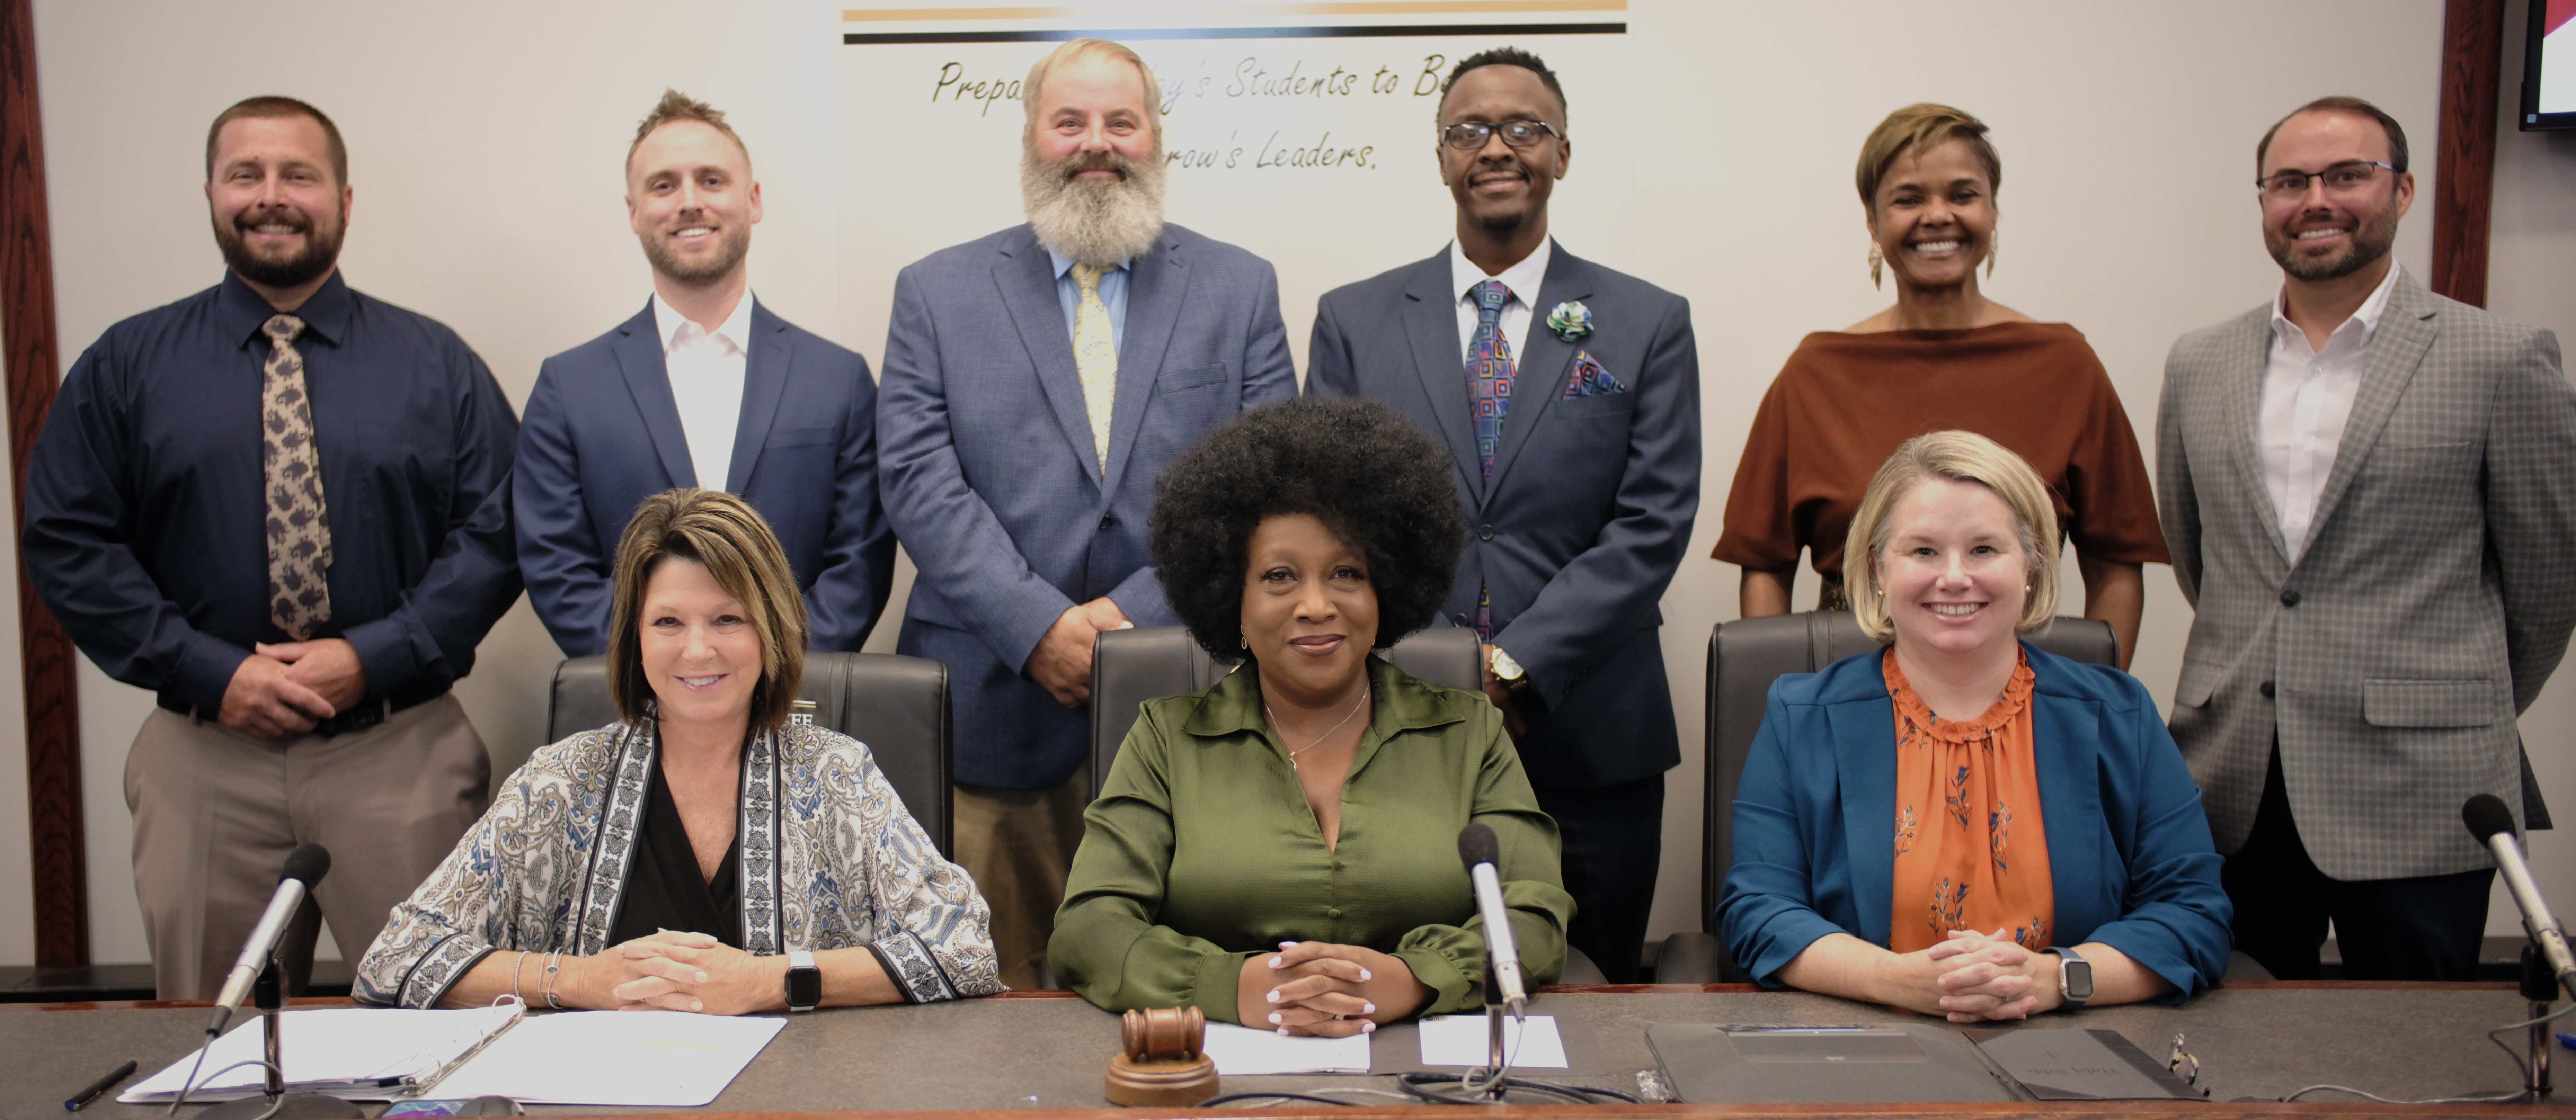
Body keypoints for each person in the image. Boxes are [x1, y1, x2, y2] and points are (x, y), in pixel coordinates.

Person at [19, 96, 521, 999]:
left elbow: (497, 531)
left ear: (344, 198)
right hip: (205, 756)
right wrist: (210, 669)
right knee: (211, 1043)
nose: (271, 195)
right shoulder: (127, 365)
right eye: (245, 174)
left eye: (298, 174)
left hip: (396, 751)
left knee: (432, 1032)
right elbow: (68, 538)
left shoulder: (434, 362)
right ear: (211, 192)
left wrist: (371, 657)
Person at [879, 37, 1296, 989]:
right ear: (1031, 137)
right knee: (988, 1001)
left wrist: (1129, 624)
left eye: (1119, 120)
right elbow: (914, 476)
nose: (1094, 143)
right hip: (990, 708)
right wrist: (1037, 628)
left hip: (1188, 709)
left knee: (1177, 994)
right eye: (1068, 121)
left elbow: (1264, 479)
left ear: (1155, 137)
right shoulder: (935, 290)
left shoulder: (1240, 288)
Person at [2157, 96, 2576, 981]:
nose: (2316, 199)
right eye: (2289, 181)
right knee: (2231, 1042)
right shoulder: (2199, 361)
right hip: (2235, 774)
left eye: (2346, 175)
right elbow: (2206, 561)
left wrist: (2448, 698)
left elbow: (2547, 582)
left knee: (2416, 1053)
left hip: (2418, 784)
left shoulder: (2498, 358)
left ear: (2403, 189)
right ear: (2263, 201)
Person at [1306, 47, 1698, 983]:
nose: (1497, 147)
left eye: (1524, 127)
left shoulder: (1646, 321)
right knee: (1404, 992)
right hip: (1397, 724)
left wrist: (1517, 664)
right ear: (1439, 156)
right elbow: (1331, 518)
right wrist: (1442, 664)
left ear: (1563, 153)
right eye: (1469, 129)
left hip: (1591, 735)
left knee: (1594, 996)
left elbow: (1654, 517)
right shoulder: (1353, 321)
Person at [356, 489, 1000, 1010]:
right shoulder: (560, 781)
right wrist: (578, 980)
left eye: (728, 619)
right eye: (668, 622)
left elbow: (965, 948)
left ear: (770, 630)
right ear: (634, 638)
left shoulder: (834, 775)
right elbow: (395, 957)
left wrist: (771, 981)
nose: (697, 650)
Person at [1051, 397, 1571, 1034]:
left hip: (1427, 1067)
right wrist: (1232, 986)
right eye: (1279, 576)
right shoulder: (1166, 738)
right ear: (1230, 597)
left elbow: (1534, 912)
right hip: (1224, 1064)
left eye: (1347, 572)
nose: (1317, 604)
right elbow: (1089, 927)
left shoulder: (1469, 731)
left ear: (1387, 590)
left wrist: (1414, 977)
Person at [1722, 431, 2229, 1019]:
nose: (1955, 577)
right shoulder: (1800, 717)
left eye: (1985, 549)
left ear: (2032, 566)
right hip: (1867, 1048)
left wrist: (2058, 977)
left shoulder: (2119, 715)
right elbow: (1757, 912)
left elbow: (2194, 912)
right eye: (1923, 551)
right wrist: (1897, 981)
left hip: (2077, 1052)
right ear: (1877, 569)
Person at [1714, 103, 2164, 669]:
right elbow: (1763, 569)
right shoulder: (1815, 371)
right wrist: (1788, 713)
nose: (1937, 216)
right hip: (1849, 693)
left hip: (2027, 693)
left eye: (1962, 194)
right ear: (1873, 223)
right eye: (1908, 199)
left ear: (1993, 211)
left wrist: (2091, 706)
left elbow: (2116, 565)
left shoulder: (2065, 364)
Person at [517, 90, 893, 658]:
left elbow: (860, 561)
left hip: (798, 706)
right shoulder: (568, 387)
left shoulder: (838, 380)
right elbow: (557, 569)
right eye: (664, 185)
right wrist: (665, 675)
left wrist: (772, 672)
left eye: (711, 181)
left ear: (753, 199)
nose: (689, 202)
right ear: (634, 210)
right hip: (637, 712)